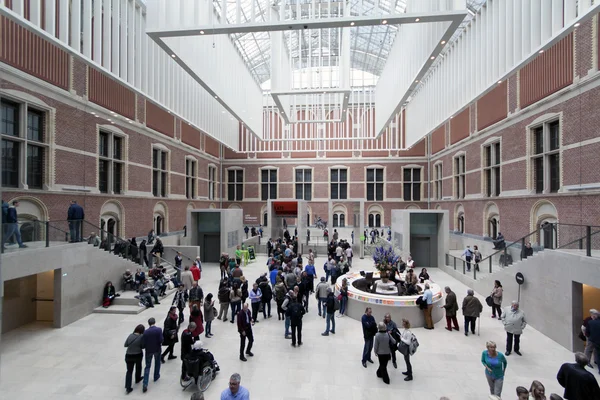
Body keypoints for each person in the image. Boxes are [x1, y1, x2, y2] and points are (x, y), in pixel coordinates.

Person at [142, 317, 163, 393]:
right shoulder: (159, 330)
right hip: (157, 349)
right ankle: (156, 376)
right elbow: (161, 340)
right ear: (155, 322)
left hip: (149, 350)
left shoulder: (145, 332)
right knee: (157, 363)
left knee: (147, 366)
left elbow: (143, 343)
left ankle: (145, 383)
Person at [124, 324, 145, 394]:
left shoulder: (130, 335)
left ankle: (128, 387)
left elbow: (125, 344)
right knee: (138, 367)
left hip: (128, 355)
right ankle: (137, 378)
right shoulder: (141, 337)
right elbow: (142, 346)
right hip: (138, 355)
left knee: (129, 371)